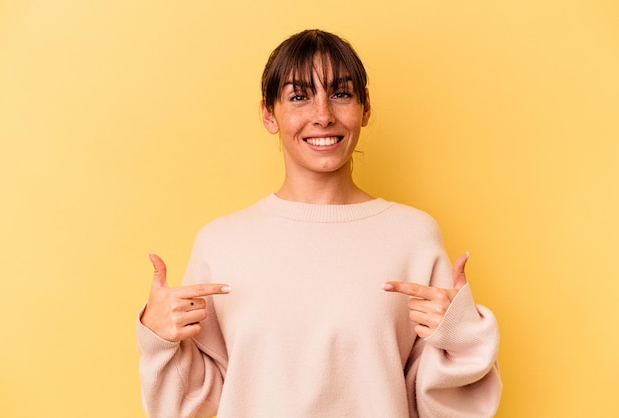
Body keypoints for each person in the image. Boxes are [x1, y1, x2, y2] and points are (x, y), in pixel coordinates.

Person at [137, 29, 502, 417]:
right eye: (299, 97)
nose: (323, 115)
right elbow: (196, 404)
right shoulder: (221, 243)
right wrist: (159, 338)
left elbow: (437, 406)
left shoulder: (412, 236)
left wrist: (462, 338)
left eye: (341, 94)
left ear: (365, 108)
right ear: (268, 114)